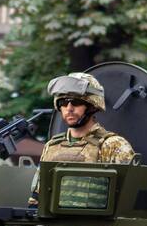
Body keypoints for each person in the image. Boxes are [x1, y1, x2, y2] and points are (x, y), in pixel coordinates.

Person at [29, 72, 134, 205]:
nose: (69, 108)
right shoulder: (52, 146)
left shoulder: (113, 145)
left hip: (95, 225)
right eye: (63, 102)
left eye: (76, 102)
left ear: (92, 106)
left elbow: (128, 200)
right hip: (54, 225)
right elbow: (37, 198)